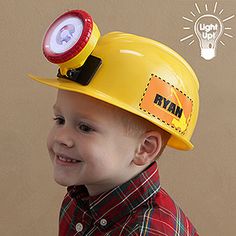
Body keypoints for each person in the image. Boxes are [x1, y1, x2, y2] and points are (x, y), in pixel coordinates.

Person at [29, 10, 199, 236]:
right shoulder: (77, 203)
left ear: (145, 148)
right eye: (60, 120)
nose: (61, 137)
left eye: (85, 127)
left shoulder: (149, 232)